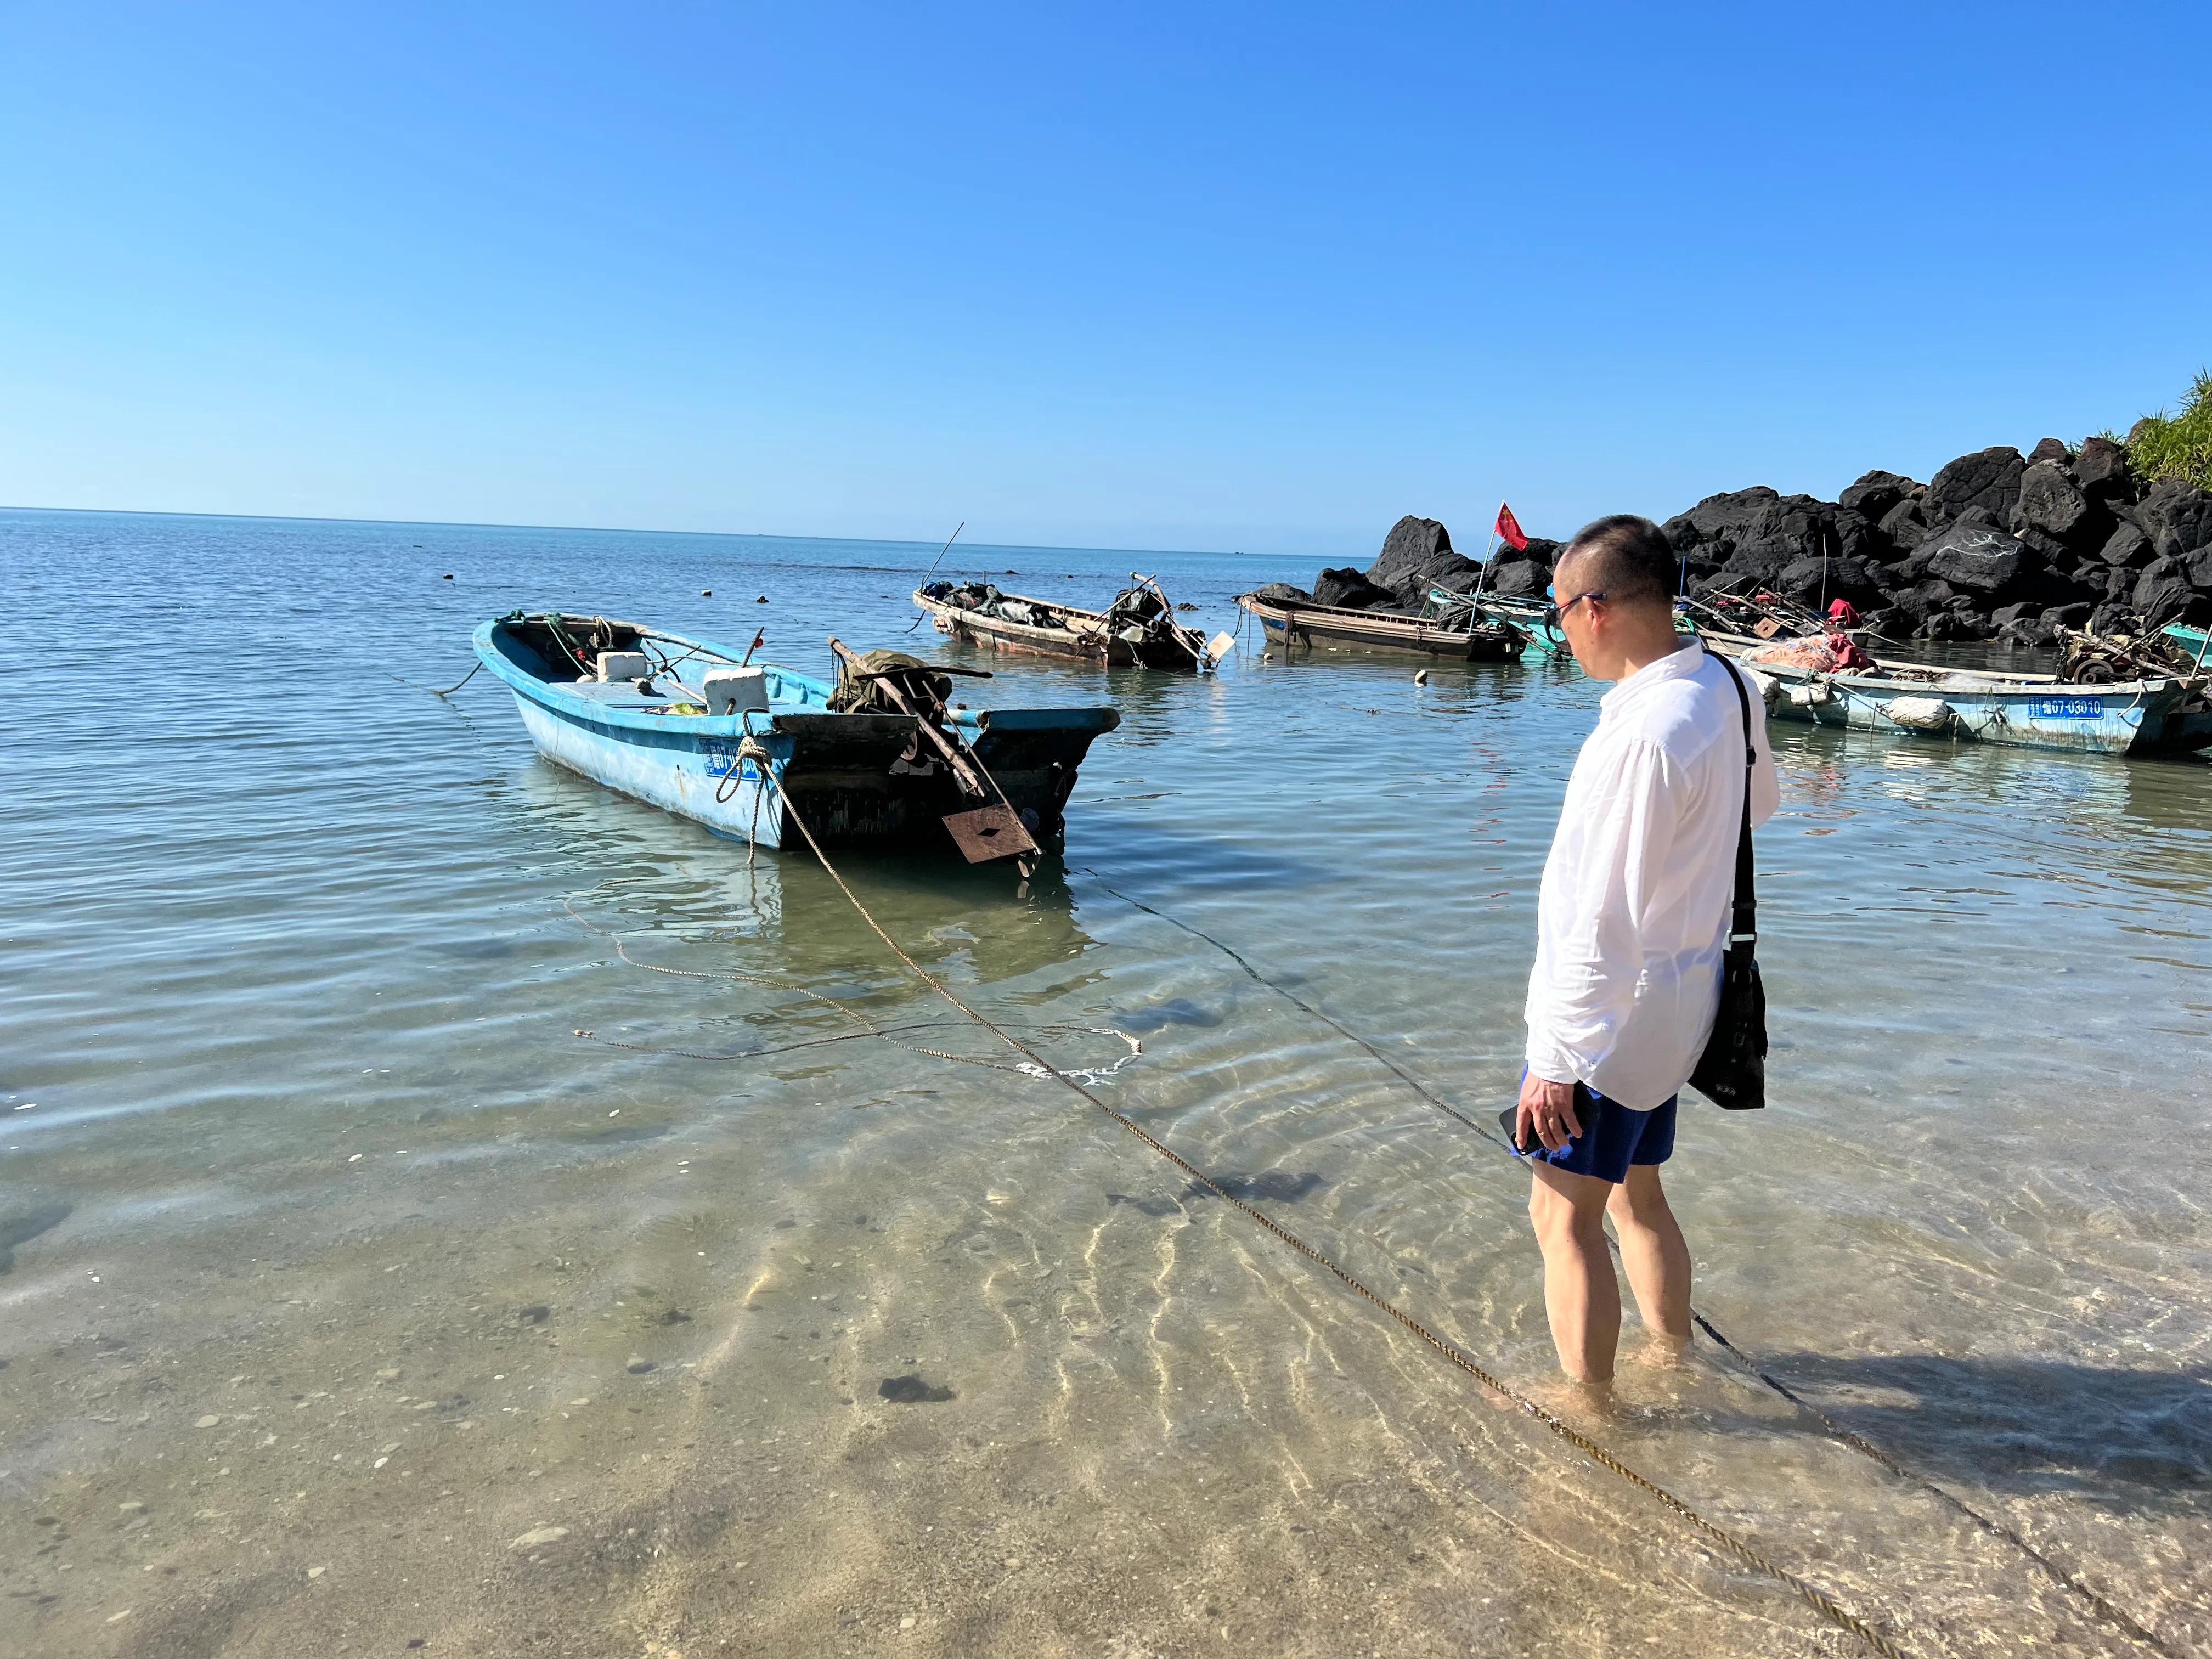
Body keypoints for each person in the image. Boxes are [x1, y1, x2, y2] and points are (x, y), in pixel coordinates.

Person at [1515, 515, 1778, 1387]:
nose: (1557, 630)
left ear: (1595, 609)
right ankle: (1675, 1359)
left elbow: (1600, 920)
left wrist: (1555, 1059)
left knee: (1563, 1222)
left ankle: (1589, 1413)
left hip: (1614, 1023)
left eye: (1557, 611)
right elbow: (1759, 807)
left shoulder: (1640, 735)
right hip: (1683, 1000)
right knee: (1638, 1196)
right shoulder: (1727, 685)